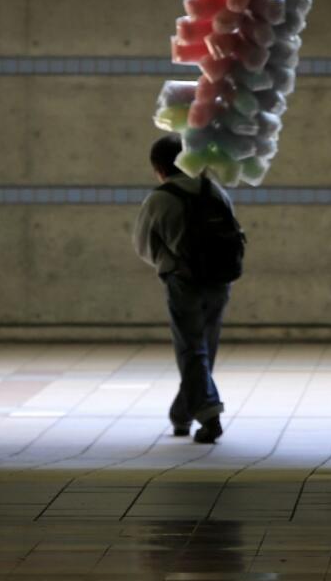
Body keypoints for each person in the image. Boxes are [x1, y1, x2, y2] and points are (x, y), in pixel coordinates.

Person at [133, 134, 237, 444]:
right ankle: (182, 415)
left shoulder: (160, 198)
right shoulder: (213, 190)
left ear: (159, 168)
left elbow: (142, 247)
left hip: (183, 280)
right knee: (205, 346)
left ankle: (209, 416)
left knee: (191, 350)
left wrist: (168, 261)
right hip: (221, 278)